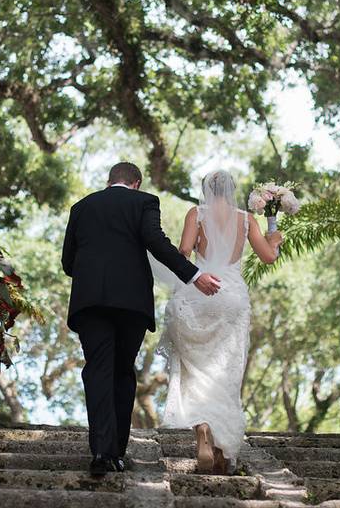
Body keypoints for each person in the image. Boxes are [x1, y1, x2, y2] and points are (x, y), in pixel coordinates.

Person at [61, 161, 222, 477]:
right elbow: (156, 241)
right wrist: (194, 275)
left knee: (97, 370)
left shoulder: (81, 206)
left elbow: (69, 262)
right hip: (131, 303)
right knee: (122, 371)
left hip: (90, 302)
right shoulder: (144, 202)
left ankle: (100, 452)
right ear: (136, 183)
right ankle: (117, 454)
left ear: (110, 182)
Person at [157, 170, 282, 474]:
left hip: (198, 291)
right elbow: (268, 257)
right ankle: (222, 447)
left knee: (195, 369)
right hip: (231, 296)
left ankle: (201, 429)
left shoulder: (196, 213)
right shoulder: (245, 219)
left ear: (206, 190)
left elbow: (184, 252)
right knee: (225, 372)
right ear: (232, 191)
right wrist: (274, 239)